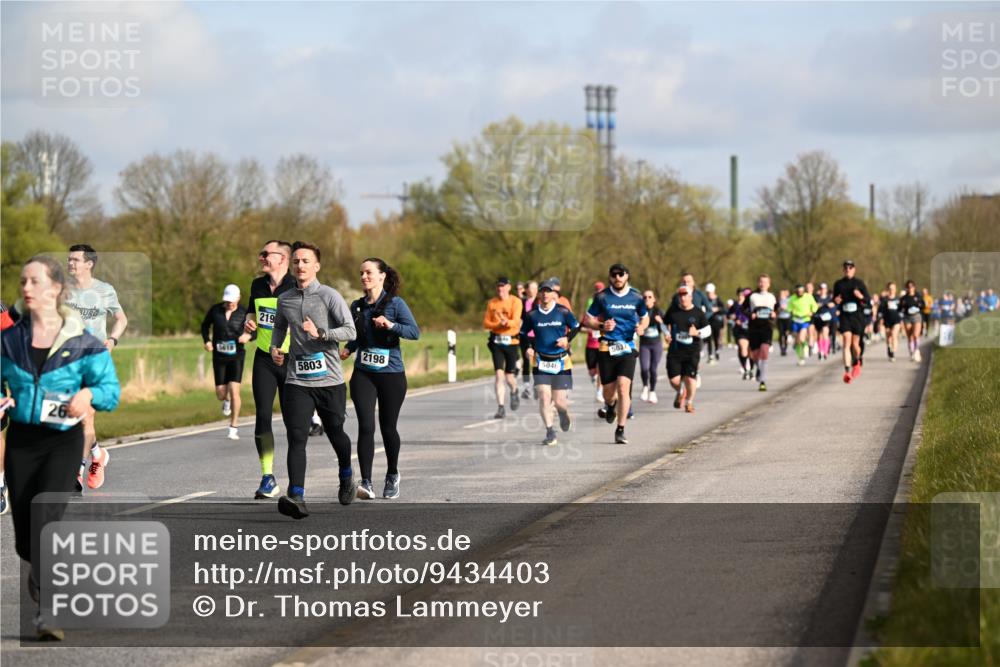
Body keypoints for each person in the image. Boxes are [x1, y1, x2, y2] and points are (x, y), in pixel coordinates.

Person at [1, 256, 120, 640]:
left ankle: (48, 610)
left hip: (62, 441)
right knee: (25, 538)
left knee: (46, 516)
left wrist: (88, 394)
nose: (26, 288)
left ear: (55, 289)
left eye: (34, 281)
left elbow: (110, 391)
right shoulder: (9, 340)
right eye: (22, 282)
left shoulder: (82, 341)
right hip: (22, 440)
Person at [270, 242, 356, 519]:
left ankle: (346, 473)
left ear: (316, 266)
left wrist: (320, 333)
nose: (300, 265)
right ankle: (297, 495)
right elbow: (280, 326)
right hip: (297, 379)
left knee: (336, 433)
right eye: (296, 261)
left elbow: (350, 330)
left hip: (329, 379)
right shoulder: (285, 299)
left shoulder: (329, 296)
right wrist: (276, 348)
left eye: (306, 261)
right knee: (296, 436)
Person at [341, 258, 420, 500]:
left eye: (369, 272)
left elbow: (414, 332)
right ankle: (366, 482)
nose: (364, 277)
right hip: (363, 373)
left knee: (388, 428)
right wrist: (349, 348)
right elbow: (358, 336)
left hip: (391, 375)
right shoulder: (356, 306)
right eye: (361, 272)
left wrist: (391, 325)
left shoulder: (395, 303)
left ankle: (392, 474)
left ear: (382, 276)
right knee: (366, 426)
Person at [64, 244, 127, 492]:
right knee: (70, 415)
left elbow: (121, 319)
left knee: (86, 414)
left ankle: (77, 471)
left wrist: (112, 340)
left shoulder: (104, 290)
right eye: (69, 260)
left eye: (75, 260)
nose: (70, 264)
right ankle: (98, 454)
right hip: (66, 360)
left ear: (89, 264)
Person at [243, 240, 296, 499]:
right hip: (264, 358)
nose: (261, 257)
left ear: (283, 259)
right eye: (260, 252)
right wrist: (249, 323)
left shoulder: (297, 286)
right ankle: (267, 477)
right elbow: (252, 314)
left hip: (291, 361)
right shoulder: (257, 285)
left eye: (266, 254)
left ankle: (296, 482)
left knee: (293, 422)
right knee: (262, 417)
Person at [585, 263, 648, 445]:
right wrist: (601, 326)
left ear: (627, 276)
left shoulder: (636, 297)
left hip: (627, 347)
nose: (618, 277)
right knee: (609, 393)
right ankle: (610, 405)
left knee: (623, 386)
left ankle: (620, 430)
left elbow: (645, 317)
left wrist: (642, 327)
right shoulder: (602, 297)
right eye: (614, 274)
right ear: (610, 277)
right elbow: (588, 319)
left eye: (621, 274)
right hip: (606, 347)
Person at [520, 280, 580, 446]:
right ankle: (550, 431)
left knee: (559, 401)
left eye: (548, 291)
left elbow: (576, 327)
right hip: (540, 361)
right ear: (539, 293)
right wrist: (527, 348)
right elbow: (523, 333)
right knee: (544, 397)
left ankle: (563, 413)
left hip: (560, 361)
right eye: (543, 291)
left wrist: (567, 339)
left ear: (554, 293)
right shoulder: (532, 315)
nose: (545, 294)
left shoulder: (562, 311)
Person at [201, 284, 251, 439]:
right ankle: (226, 401)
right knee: (221, 394)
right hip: (219, 357)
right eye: (227, 300)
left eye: (232, 300)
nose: (229, 303)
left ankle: (233, 427)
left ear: (238, 298)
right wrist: (207, 341)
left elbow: (255, 330)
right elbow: (205, 326)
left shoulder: (244, 313)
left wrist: (248, 336)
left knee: (235, 391)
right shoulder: (215, 310)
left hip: (237, 356)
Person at [665, 285, 712, 413]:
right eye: (680, 295)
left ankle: (689, 402)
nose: (683, 297)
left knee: (690, 379)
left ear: (691, 297)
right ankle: (680, 390)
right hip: (675, 350)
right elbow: (665, 324)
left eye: (685, 295)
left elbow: (708, 330)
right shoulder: (673, 311)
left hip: (692, 351)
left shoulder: (698, 312)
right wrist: (666, 334)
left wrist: (697, 333)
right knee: (674, 380)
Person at [483, 277, 523, 419]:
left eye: (503, 286)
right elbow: (486, 322)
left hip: (512, 342)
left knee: (509, 376)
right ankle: (500, 407)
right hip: (497, 343)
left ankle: (514, 389)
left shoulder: (515, 301)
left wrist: (508, 323)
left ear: (508, 287)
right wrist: (498, 325)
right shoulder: (492, 303)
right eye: (498, 286)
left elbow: (517, 320)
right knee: (499, 375)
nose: (500, 289)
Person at [832, 260, 871, 384]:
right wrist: (836, 300)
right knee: (846, 343)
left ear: (854, 269)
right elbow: (835, 299)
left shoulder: (859, 283)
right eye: (846, 268)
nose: (848, 269)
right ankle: (847, 371)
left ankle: (857, 360)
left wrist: (860, 296)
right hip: (845, 317)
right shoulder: (838, 284)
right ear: (843, 270)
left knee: (855, 345)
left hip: (857, 317)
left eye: (850, 267)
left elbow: (868, 301)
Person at [747, 274, 777, 391]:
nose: (762, 284)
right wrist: (751, 314)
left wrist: (775, 314)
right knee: (755, 354)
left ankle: (762, 380)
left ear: (769, 284)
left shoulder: (772, 297)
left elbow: (777, 309)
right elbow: (743, 309)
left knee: (764, 350)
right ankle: (759, 368)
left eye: (765, 282)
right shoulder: (752, 296)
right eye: (760, 282)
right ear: (758, 283)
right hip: (754, 328)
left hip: (767, 327)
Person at [638, 290, 666, 404]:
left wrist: (661, 322)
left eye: (650, 297)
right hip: (644, 344)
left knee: (653, 369)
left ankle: (652, 392)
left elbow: (666, 328)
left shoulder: (658, 311)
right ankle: (645, 387)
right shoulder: (639, 312)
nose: (647, 299)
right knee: (644, 368)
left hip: (656, 344)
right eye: (645, 297)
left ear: (654, 299)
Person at [787, 283, 818, 366]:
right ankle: (800, 357)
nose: (800, 293)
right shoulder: (792, 298)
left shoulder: (808, 297)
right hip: (795, 320)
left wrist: (812, 312)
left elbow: (815, 306)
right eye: (798, 291)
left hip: (805, 320)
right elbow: (789, 308)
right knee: (797, 341)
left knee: (801, 338)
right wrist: (791, 311)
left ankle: (806, 348)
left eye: (801, 291)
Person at [518, 281, 539, 399]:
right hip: (525, 335)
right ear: (526, 290)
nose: (533, 290)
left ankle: (536, 385)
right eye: (531, 288)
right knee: (526, 360)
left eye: (535, 288)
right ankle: (526, 387)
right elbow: (519, 317)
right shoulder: (522, 302)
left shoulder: (540, 302)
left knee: (537, 360)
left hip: (537, 335)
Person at [729, 288, 752, 379]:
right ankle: (746, 368)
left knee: (749, 351)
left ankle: (748, 366)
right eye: (739, 295)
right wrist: (733, 317)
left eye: (742, 295)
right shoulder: (735, 305)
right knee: (743, 349)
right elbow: (728, 314)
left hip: (750, 330)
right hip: (739, 330)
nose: (740, 297)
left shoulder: (750, 305)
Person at [899, 280, 925, 363]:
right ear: (906, 288)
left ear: (914, 287)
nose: (910, 288)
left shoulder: (918, 296)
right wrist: (902, 310)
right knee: (910, 336)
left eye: (912, 287)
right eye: (908, 287)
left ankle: (917, 350)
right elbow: (899, 308)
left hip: (916, 316)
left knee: (915, 335)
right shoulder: (904, 298)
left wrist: (918, 307)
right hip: (907, 317)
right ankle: (912, 352)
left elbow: (923, 305)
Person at [879, 282, 903, 362]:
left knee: (894, 335)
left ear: (895, 289)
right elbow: (881, 310)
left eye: (893, 288)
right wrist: (881, 319)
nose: (892, 290)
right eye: (890, 288)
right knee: (888, 337)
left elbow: (901, 310)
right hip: (887, 320)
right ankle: (889, 347)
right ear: (888, 289)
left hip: (896, 319)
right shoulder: (885, 299)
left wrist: (902, 320)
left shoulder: (898, 299)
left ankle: (893, 352)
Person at [813, 283, 836, 361]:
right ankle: (820, 351)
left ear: (826, 290)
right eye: (821, 289)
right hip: (818, 317)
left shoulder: (829, 298)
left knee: (825, 332)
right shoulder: (816, 297)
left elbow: (833, 304)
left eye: (824, 289)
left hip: (826, 317)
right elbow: (814, 305)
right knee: (819, 335)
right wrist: (817, 305)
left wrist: (829, 304)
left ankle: (825, 351)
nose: (823, 290)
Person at [705, 283, 725, 364]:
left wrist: (717, 309)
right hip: (708, 321)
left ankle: (717, 350)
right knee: (709, 338)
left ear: (713, 291)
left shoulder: (718, 299)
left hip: (717, 322)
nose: (709, 294)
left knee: (716, 338)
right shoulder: (705, 300)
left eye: (710, 292)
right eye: (707, 292)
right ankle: (710, 355)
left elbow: (724, 309)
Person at [776, 289, 792, 356]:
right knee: (780, 334)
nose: (781, 295)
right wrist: (779, 309)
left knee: (785, 334)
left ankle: (785, 348)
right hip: (780, 319)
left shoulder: (789, 301)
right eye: (780, 294)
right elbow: (775, 310)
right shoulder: (778, 301)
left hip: (787, 318)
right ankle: (781, 349)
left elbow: (791, 309)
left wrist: (786, 308)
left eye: (783, 294)